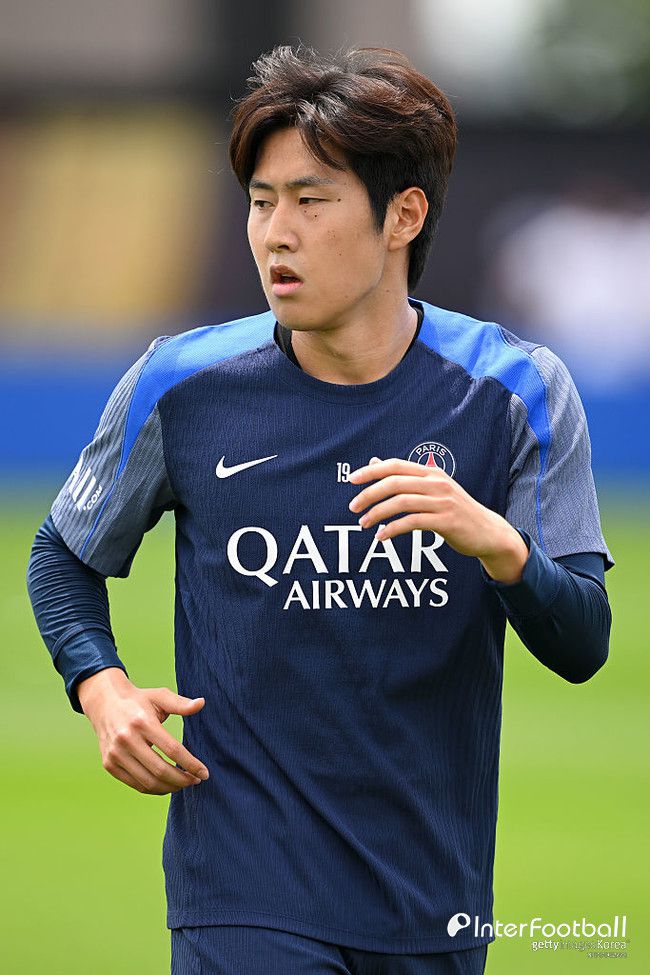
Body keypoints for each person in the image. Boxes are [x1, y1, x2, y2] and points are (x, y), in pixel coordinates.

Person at [27, 45, 613, 975]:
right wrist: (101, 687)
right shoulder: (182, 384)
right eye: (261, 202)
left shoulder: (515, 391)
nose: (275, 234)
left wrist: (502, 547)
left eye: (311, 200)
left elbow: (583, 643)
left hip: (433, 901)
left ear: (403, 216)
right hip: (243, 889)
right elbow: (63, 552)